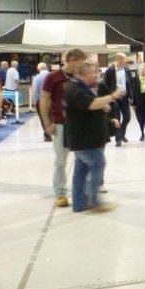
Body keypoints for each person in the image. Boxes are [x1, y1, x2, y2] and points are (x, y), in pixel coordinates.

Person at [64, 62, 123, 212]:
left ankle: (79, 204)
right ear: (82, 75)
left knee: (81, 171)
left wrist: (103, 106)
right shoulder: (74, 89)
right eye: (92, 73)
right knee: (98, 164)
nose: (95, 76)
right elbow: (91, 103)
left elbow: (91, 103)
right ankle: (94, 202)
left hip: (85, 139)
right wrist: (112, 96)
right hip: (85, 140)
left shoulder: (81, 87)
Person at [40, 48, 87, 207]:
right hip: (59, 125)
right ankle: (60, 193)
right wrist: (47, 124)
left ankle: (82, 190)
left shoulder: (79, 78)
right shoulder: (52, 77)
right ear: (72, 60)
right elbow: (43, 101)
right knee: (61, 161)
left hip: (79, 125)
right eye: (80, 63)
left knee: (83, 159)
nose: (82, 66)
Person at [103, 53, 134, 147]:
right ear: (119, 59)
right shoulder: (110, 70)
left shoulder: (127, 70)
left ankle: (122, 133)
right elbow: (106, 86)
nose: (126, 61)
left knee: (127, 117)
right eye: (124, 59)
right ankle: (118, 139)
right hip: (114, 99)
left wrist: (131, 96)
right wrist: (109, 98)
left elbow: (130, 84)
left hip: (124, 98)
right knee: (117, 118)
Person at [31, 62, 52, 142]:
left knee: (44, 118)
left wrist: (35, 103)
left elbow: (35, 91)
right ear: (46, 68)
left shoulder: (37, 78)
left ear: (38, 69)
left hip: (41, 102)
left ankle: (48, 135)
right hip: (53, 101)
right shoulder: (53, 76)